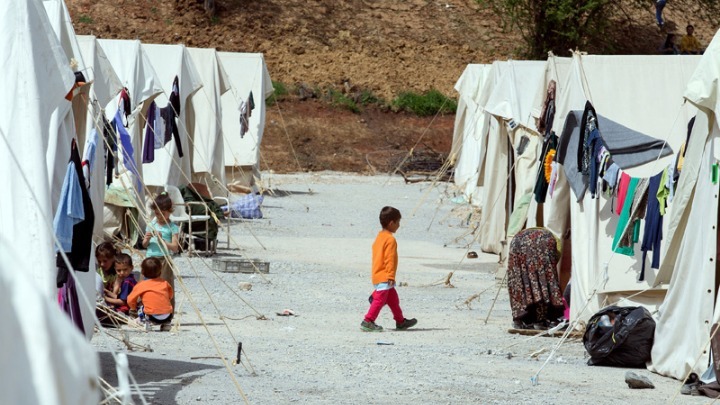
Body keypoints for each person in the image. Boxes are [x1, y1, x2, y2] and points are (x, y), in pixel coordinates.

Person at [360, 206, 417, 332]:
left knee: (393, 299)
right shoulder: (390, 240)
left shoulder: (379, 237)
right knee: (380, 299)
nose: (399, 225)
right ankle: (368, 320)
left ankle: (400, 321)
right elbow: (389, 259)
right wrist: (390, 276)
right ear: (392, 223)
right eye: (398, 222)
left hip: (377, 274)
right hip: (385, 276)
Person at [506, 227, 565, 330]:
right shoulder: (550, 240)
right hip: (543, 242)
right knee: (545, 278)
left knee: (518, 278)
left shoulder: (524, 236)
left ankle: (520, 319)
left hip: (517, 242)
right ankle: (540, 319)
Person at [142, 192, 180, 315]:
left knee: (164, 285)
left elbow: (175, 248)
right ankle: (147, 309)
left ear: (169, 211)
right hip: (150, 258)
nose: (159, 216)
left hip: (164, 259)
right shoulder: (151, 224)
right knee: (147, 284)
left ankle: (167, 311)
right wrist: (147, 239)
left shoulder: (172, 227)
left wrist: (162, 241)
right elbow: (144, 245)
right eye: (157, 213)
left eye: (162, 213)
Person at [127, 257, 174, 331]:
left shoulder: (141, 285)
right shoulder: (165, 283)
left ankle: (145, 322)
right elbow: (170, 295)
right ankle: (166, 324)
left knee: (141, 306)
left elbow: (130, 299)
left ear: (142, 272)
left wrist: (133, 307)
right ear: (160, 272)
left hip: (152, 316)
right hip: (167, 315)